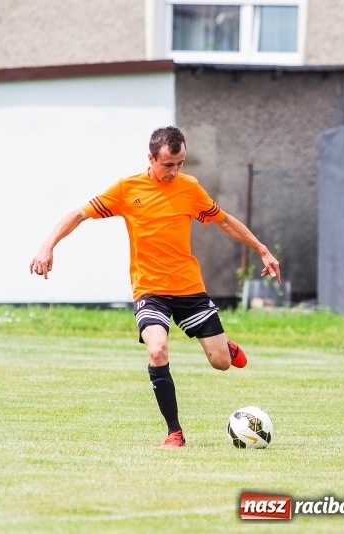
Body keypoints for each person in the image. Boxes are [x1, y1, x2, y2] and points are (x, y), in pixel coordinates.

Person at [29, 126, 281, 449]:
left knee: (220, 362)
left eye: (180, 164)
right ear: (150, 158)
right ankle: (175, 432)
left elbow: (225, 221)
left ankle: (225, 347)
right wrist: (47, 247)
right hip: (150, 291)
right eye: (168, 165)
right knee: (157, 349)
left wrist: (262, 249)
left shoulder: (189, 188)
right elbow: (79, 214)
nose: (175, 171)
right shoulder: (126, 189)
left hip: (189, 288)